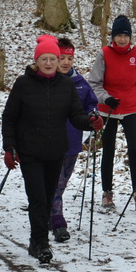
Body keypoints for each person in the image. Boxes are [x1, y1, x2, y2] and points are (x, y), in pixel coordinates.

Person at [1, 35, 104, 264]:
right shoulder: (23, 84)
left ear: (58, 62)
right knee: (37, 198)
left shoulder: (67, 85)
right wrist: (9, 147)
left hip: (56, 150)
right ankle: (41, 243)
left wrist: (91, 121)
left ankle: (34, 241)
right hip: (30, 151)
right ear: (37, 61)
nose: (49, 63)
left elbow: (76, 115)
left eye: (53, 59)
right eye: (44, 59)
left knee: (48, 199)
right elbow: (9, 117)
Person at [87, 14, 136, 211]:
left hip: (131, 108)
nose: (122, 39)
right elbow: (94, 84)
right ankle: (107, 194)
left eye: (126, 35)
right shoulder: (104, 54)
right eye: (119, 35)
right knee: (108, 151)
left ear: (130, 37)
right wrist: (105, 98)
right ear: (113, 36)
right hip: (109, 109)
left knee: (134, 151)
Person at [49, 37, 99, 243]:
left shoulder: (79, 83)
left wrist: (94, 116)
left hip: (73, 142)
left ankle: (47, 213)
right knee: (55, 184)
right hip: (49, 142)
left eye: (69, 58)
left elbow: (91, 104)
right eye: (62, 57)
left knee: (61, 184)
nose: (66, 62)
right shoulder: (48, 81)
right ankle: (58, 223)